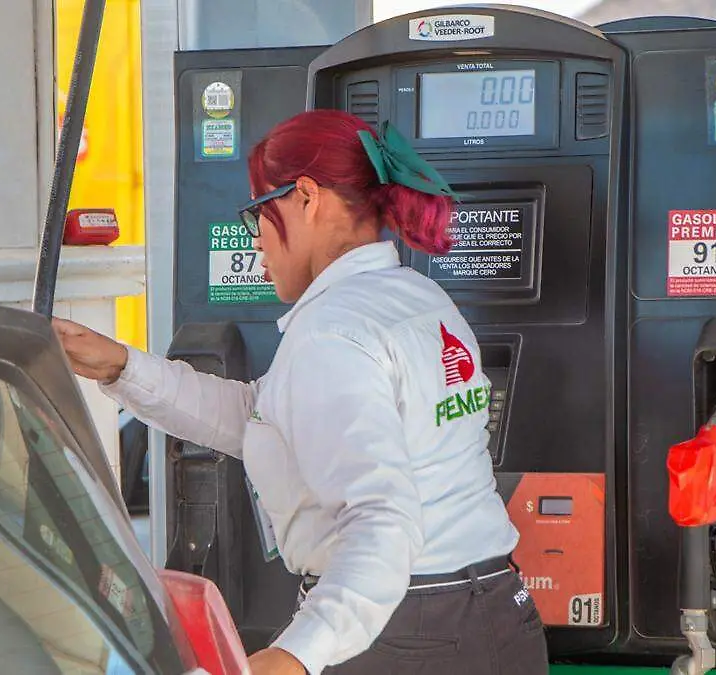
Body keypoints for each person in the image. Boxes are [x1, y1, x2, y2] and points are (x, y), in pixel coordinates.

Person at [53, 109, 549, 675]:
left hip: (398, 635)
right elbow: (264, 418)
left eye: (258, 212)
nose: (257, 240)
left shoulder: (333, 331)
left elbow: (381, 520)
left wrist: (294, 655)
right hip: (498, 614)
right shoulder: (418, 299)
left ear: (306, 197)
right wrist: (121, 366)